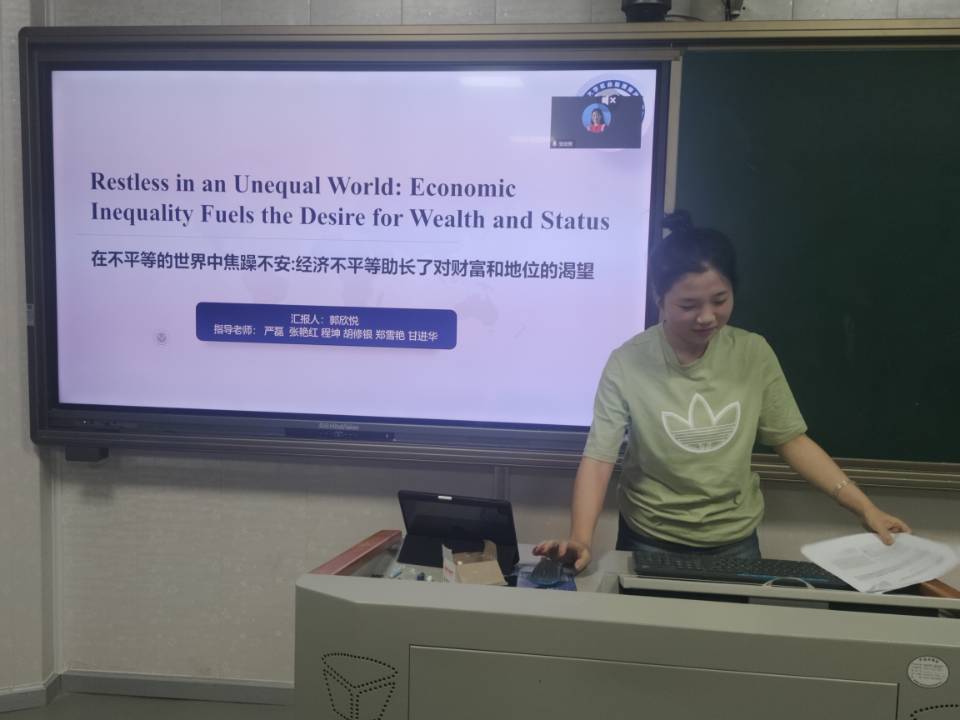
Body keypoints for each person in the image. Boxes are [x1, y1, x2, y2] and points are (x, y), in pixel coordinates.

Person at [534, 211, 910, 572]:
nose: (706, 317)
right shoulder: (627, 362)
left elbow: (792, 440)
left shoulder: (752, 353)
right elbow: (599, 459)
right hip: (648, 538)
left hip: (735, 540)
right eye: (688, 305)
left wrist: (865, 508)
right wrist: (580, 538)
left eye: (720, 300)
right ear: (658, 297)